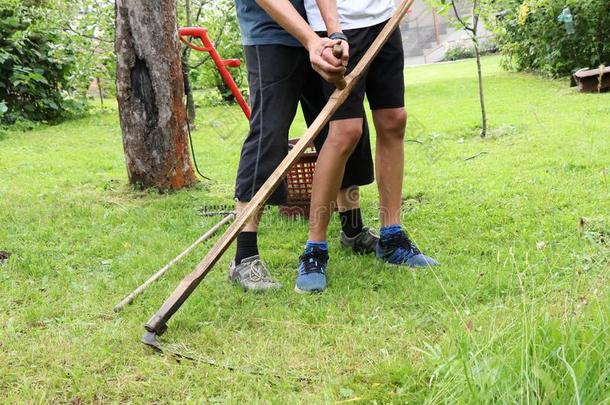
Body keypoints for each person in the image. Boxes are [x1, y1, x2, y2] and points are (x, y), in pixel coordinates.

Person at [229, 0, 378, 292]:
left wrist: (332, 34)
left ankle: (353, 228)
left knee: (341, 126)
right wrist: (310, 40)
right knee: (268, 132)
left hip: (319, 32)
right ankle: (244, 257)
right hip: (270, 35)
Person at [295, 0, 440, 293]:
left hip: (385, 19)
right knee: (345, 131)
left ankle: (392, 236)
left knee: (393, 120)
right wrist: (334, 32)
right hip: (337, 27)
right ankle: (315, 249)